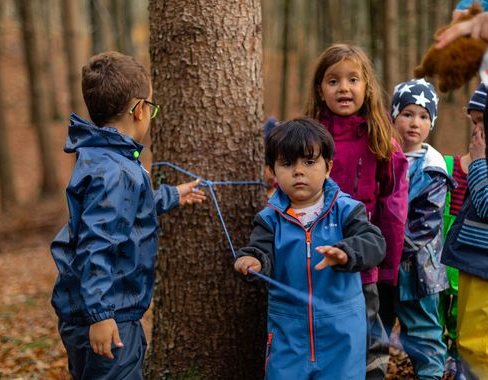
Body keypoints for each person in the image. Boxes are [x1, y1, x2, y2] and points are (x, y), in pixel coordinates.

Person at [50, 51, 206, 380]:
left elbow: (123, 209)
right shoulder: (116, 171)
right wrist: (101, 316)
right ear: (139, 110)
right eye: (151, 106)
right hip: (110, 317)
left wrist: (172, 194)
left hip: (92, 311)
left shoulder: (102, 157)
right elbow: (97, 243)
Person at [234, 118, 386, 380]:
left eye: (309, 162)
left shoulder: (347, 210)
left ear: (328, 167)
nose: (298, 171)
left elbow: (375, 242)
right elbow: (260, 251)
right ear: (272, 171)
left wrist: (346, 252)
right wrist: (253, 261)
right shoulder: (269, 218)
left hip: (342, 332)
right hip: (288, 333)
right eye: (287, 163)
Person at [304, 43, 409, 379]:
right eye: (333, 81)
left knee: (366, 334)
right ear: (320, 89)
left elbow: (393, 205)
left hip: (364, 262)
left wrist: (390, 264)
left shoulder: (380, 140)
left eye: (353, 79)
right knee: (320, 332)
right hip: (313, 257)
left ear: (367, 86)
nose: (344, 88)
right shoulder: (309, 137)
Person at [379, 79, 454, 379]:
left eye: (423, 116)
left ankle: (431, 375)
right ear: (393, 116)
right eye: (407, 113)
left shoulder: (432, 168)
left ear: (431, 123)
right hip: (381, 267)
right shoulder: (383, 157)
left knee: (423, 334)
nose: (414, 123)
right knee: (375, 329)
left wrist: (387, 250)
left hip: (418, 271)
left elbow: (425, 224)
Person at [438, 82, 487, 377]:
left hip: (483, 268)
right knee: (467, 341)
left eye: (484, 122)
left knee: (479, 347)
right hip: (473, 263)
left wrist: (479, 162)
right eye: (475, 122)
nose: (477, 132)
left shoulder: (482, 160)